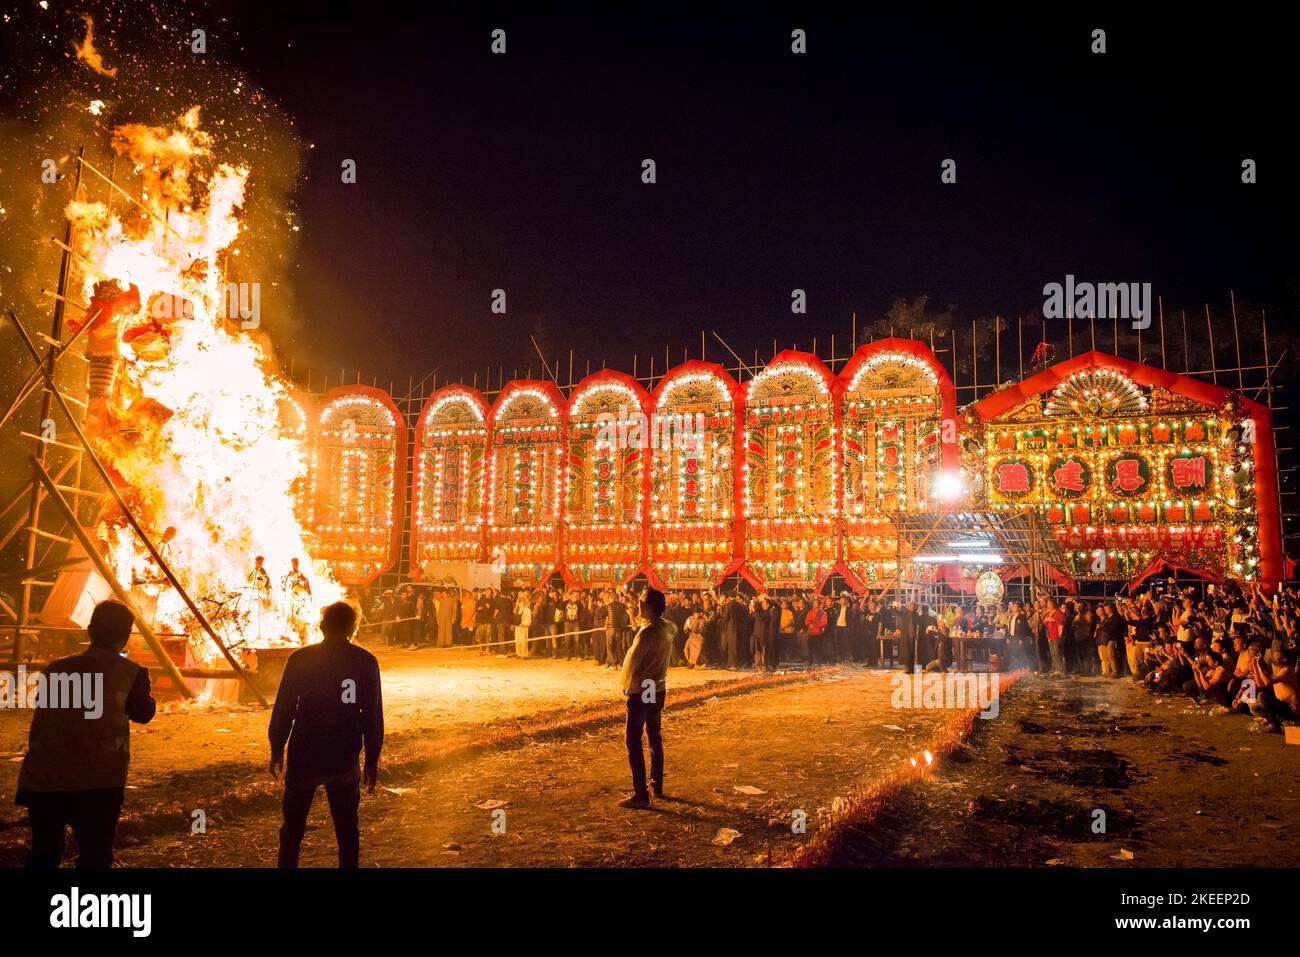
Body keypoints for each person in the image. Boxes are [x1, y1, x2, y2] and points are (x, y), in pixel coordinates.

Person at [16, 600, 156, 868]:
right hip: (98, 781)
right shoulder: (131, 673)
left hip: (45, 778)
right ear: (126, 636)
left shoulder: (55, 669)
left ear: (90, 631)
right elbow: (144, 713)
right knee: (96, 856)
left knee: (44, 854)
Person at [270, 601, 384, 868]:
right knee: (347, 831)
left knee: (292, 830)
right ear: (352, 628)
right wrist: (371, 760)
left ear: (322, 626)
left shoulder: (300, 659)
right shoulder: (365, 662)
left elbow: (284, 707)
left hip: (304, 756)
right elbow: (372, 714)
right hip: (343, 757)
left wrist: (277, 748)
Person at [618, 587, 675, 809]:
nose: (639, 604)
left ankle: (641, 793)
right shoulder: (668, 628)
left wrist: (625, 687)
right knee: (654, 734)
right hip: (656, 686)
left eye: (642, 601)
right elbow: (656, 625)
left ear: (649, 606)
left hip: (641, 689)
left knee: (633, 739)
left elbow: (631, 663)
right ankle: (656, 783)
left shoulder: (647, 633)